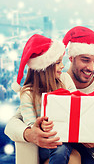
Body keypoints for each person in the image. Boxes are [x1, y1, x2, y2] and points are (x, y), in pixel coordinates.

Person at [5, 26, 94, 164]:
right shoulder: (34, 91)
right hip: (57, 148)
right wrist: (31, 132)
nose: (92, 68)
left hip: (84, 150)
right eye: (85, 60)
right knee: (69, 155)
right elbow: (12, 124)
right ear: (71, 58)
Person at [15, 34, 77, 164]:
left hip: (69, 136)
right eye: (58, 63)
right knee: (60, 149)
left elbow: (77, 106)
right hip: (47, 142)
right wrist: (40, 126)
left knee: (85, 157)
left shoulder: (64, 80)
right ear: (45, 67)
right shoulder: (28, 93)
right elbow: (31, 124)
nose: (62, 66)